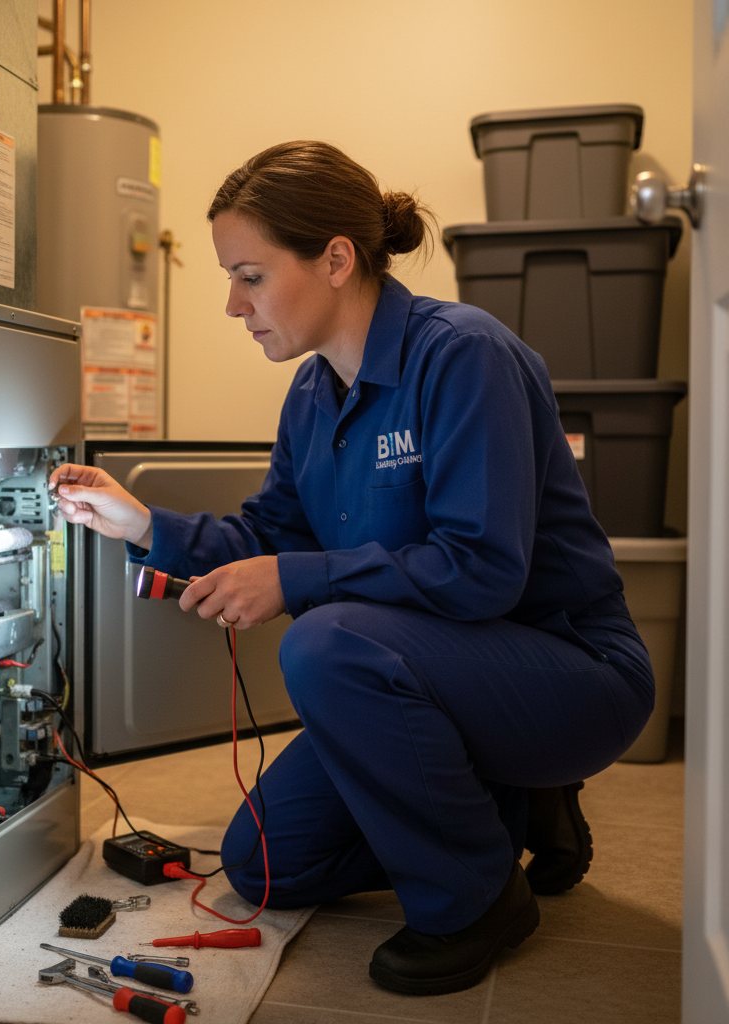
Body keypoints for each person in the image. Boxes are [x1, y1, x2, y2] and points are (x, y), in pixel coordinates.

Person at [47, 141, 655, 996]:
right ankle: (513, 803)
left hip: (569, 675)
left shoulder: (462, 355)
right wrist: (140, 522)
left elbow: (482, 571)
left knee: (328, 644)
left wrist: (298, 582)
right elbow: (270, 532)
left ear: (336, 259)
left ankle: (478, 900)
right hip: (448, 681)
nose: (232, 303)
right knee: (261, 864)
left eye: (250, 276)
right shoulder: (313, 393)